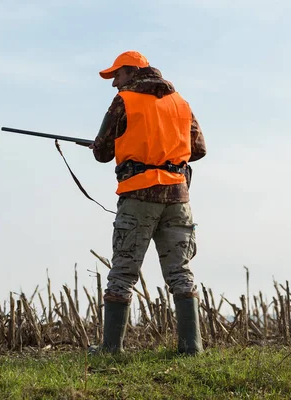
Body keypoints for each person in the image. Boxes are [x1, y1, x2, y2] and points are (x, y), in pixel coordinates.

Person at [91, 50, 207, 355]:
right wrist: (165, 151)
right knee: (180, 271)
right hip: (178, 196)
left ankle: (111, 350)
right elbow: (198, 148)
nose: (114, 83)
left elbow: (101, 152)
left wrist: (126, 147)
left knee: (123, 271)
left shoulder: (125, 100)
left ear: (131, 72)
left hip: (139, 196)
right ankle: (191, 348)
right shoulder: (180, 101)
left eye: (117, 75)